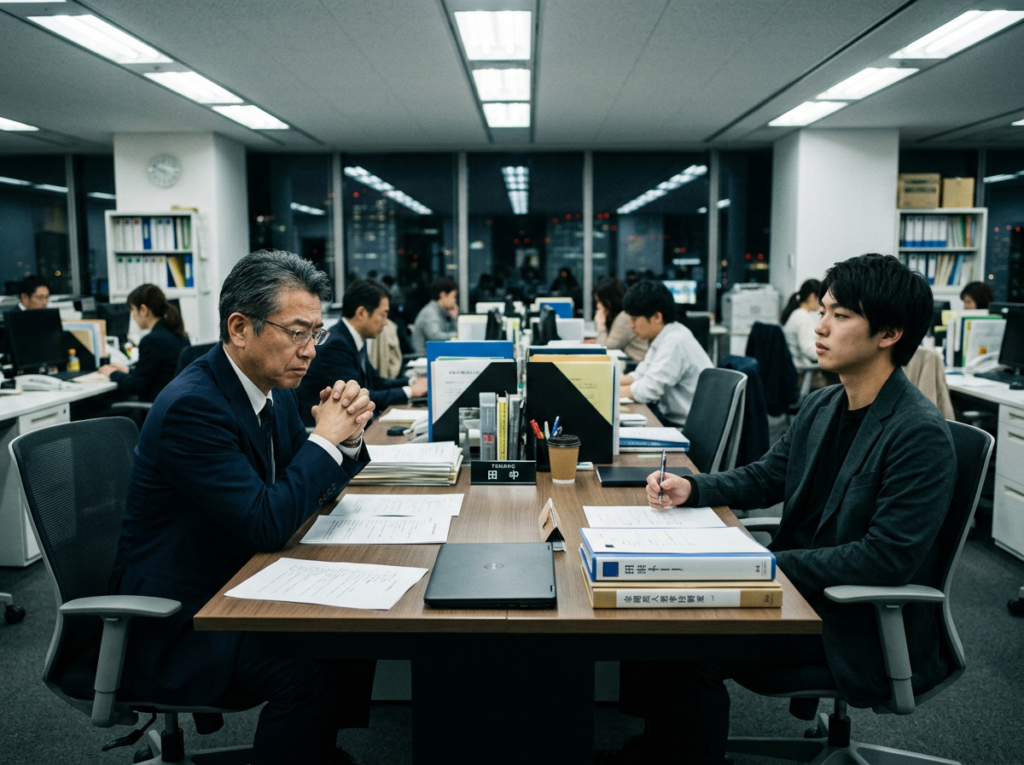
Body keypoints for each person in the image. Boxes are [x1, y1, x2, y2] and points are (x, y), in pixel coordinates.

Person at [615, 254, 956, 764]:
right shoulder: (824, 404)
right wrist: (695, 488)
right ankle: (660, 745)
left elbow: (885, 559)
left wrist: (763, 567)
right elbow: (766, 476)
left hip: (850, 617)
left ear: (889, 332)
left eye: (840, 316)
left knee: (685, 642)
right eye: (824, 311)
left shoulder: (917, 433)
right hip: (797, 588)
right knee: (659, 619)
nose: (819, 327)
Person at [110, 250, 377, 765]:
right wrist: (325, 441)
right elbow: (269, 522)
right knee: (306, 671)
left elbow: (300, 483)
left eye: (316, 334)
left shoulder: (266, 389)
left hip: (234, 577)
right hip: (181, 616)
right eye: (297, 332)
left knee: (349, 632)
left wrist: (345, 438)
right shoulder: (194, 407)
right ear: (239, 328)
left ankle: (314, 750)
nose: (310, 351)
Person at [298, 279, 427, 426]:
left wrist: (412, 382)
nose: (385, 322)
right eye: (383, 315)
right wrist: (411, 391)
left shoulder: (354, 338)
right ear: (362, 313)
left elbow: (376, 382)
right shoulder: (336, 346)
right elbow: (358, 398)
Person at [619, 280, 712, 426]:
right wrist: (607, 384)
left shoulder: (675, 341)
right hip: (673, 420)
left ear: (657, 317)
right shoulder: (665, 336)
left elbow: (648, 389)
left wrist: (607, 393)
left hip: (688, 428)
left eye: (635, 319)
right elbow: (641, 375)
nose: (631, 325)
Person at [97, 284, 190, 402]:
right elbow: (156, 374)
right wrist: (127, 370)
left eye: (133, 311)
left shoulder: (151, 341)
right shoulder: (179, 335)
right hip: (173, 405)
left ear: (143, 310)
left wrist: (112, 373)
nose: (134, 317)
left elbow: (137, 386)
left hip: (155, 408)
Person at [594, 275, 648, 362]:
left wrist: (600, 325)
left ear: (610, 300)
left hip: (636, 364)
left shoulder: (624, 316)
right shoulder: (624, 314)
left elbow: (605, 348)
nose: (598, 306)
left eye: (600, 301)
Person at [780, 278, 821, 368]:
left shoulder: (797, 313)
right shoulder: (803, 317)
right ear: (813, 297)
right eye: (821, 298)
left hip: (793, 366)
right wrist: (831, 355)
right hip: (801, 370)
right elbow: (807, 349)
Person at [411, 276, 458, 353]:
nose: (455, 300)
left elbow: (449, 332)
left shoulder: (443, 312)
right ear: (443, 295)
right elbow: (435, 337)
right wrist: (459, 334)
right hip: (424, 357)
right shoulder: (430, 312)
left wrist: (453, 318)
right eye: (453, 296)